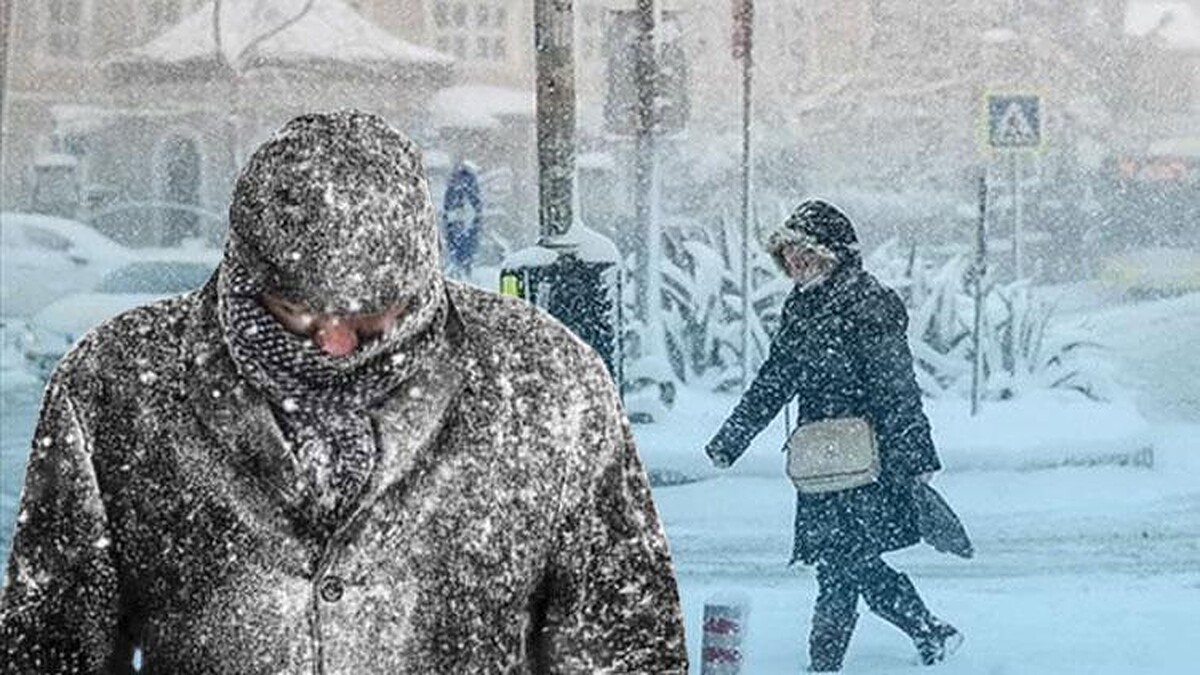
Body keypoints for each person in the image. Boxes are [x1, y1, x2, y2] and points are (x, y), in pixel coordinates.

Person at [0, 111, 687, 673]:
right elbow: (50, 646)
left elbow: (623, 642)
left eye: (368, 317)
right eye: (297, 312)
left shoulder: (544, 381)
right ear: (245, 272)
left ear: (420, 276)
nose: (333, 342)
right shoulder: (118, 383)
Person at [703, 200, 961, 672]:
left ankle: (828, 664)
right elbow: (776, 378)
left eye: (806, 252)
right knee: (844, 563)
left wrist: (916, 457)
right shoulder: (802, 307)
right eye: (790, 254)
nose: (797, 262)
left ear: (833, 253)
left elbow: (896, 386)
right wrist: (731, 439)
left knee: (843, 564)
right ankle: (926, 631)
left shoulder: (868, 302)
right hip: (822, 459)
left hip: (868, 458)